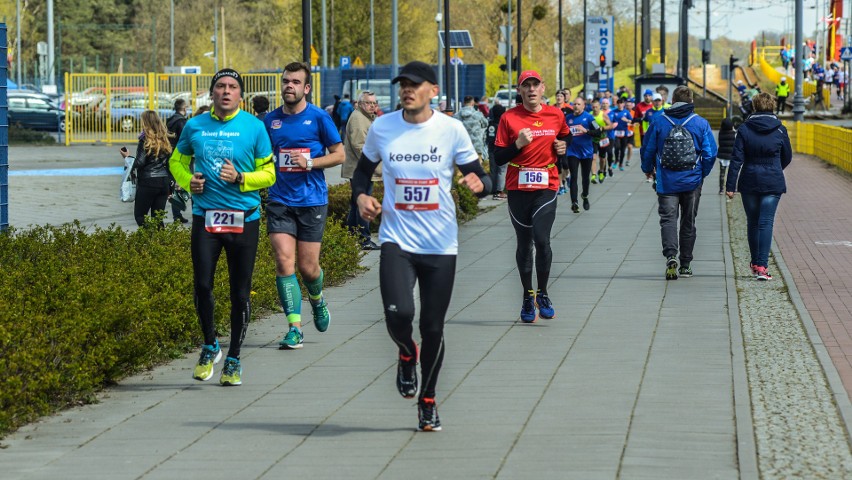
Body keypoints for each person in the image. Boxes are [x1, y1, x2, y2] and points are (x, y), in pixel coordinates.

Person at [351, 60, 491, 431]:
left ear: (432, 89)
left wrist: (481, 184)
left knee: (432, 326)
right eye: (402, 85)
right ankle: (405, 352)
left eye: (414, 85)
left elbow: (482, 174)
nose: (406, 91)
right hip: (397, 239)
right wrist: (362, 198)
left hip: (441, 244)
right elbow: (362, 175)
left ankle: (428, 400)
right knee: (398, 315)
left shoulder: (451, 129)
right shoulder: (383, 127)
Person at [169, 68, 276, 386]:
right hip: (206, 217)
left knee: (239, 292)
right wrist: (189, 181)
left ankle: (234, 358)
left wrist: (242, 178)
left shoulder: (254, 128)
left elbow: (269, 174)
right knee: (202, 285)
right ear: (212, 93)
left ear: (240, 95)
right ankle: (210, 345)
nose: (226, 91)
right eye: (220, 86)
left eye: (232, 87)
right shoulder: (194, 126)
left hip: (244, 219)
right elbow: (176, 161)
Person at [263, 62, 344, 350]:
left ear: (306, 88)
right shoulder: (269, 121)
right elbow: (260, 156)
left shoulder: (320, 118)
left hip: (312, 200)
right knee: (284, 261)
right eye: (286, 81)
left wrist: (310, 163)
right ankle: (294, 328)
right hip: (279, 200)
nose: (289, 86)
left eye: (296, 82)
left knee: (309, 269)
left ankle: (317, 300)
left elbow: (339, 155)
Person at [494, 70, 569, 322]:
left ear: (543, 88)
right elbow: (498, 157)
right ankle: (528, 296)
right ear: (520, 91)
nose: (532, 90)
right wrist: (517, 145)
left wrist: (562, 147)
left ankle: (543, 293)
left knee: (542, 240)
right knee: (524, 243)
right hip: (517, 187)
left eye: (535, 85)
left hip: (546, 185)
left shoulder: (556, 114)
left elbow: (564, 138)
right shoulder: (508, 118)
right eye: (526, 86)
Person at [640, 86, 717, 280]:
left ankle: (671, 256)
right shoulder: (700, 123)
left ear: (672, 101)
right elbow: (710, 153)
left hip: (666, 181)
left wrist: (647, 169)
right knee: (688, 221)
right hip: (692, 181)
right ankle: (685, 264)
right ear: (691, 101)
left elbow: (647, 149)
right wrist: (702, 174)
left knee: (668, 219)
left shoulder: (658, 121)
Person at [725, 93, 793, 281]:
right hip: (772, 181)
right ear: (772, 106)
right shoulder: (780, 129)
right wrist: (775, 169)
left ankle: (756, 264)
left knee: (753, 222)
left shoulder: (744, 129)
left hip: (749, 181)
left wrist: (730, 186)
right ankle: (762, 267)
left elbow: (736, 159)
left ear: (754, 107)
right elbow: (787, 156)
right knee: (766, 223)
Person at [341, 90, 380, 250]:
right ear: (360, 104)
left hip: (360, 169)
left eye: (374, 103)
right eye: (368, 103)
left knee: (356, 204)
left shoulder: (365, 117)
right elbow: (360, 146)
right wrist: (375, 166)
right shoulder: (358, 119)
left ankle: (351, 236)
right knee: (364, 204)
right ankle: (364, 239)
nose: (372, 106)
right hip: (361, 170)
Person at [121, 110, 172, 227]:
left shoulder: (145, 140)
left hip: (148, 181)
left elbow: (140, 162)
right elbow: (169, 163)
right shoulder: (165, 139)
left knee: (140, 216)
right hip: (164, 181)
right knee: (158, 218)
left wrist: (127, 157)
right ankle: (161, 243)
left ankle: (149, 239)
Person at [564, 96, 597, 213]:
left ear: (583, 106)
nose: (576, 106)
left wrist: (586, 131)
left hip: (586, 152)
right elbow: (563, 133)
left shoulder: (589, 117)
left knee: (585, 177)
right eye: (575, 104)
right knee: (574, 176)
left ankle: (585, 195)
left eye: (579, 104)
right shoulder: (568, 118)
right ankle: (574, 202)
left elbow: (598, 132)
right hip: (572, 152)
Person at [166, 98, 190, 223]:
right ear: (184, 108)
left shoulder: (170, 120)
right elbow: (185, 140)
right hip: (180, 157)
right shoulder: (182, 122)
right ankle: (177, 215)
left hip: (170, 155)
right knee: (179, 186)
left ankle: (177, 214)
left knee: (175, 185)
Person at [455, 95, 489, 163]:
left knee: (462, 169)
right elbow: (486, 124)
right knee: (477, 169)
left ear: (464, 103)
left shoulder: (457, 115)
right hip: (477, 146)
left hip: (462, 146)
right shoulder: (478, 115)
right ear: (473, 103)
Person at [486, 103, 508, 199]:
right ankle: (499, 191)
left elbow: (489, 138)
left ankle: (493, 189)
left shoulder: (491, 124)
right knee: (502, 171)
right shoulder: (504, 123)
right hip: (503, 149)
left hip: (492, 150)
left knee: (493, 170)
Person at [610, 97, 633, 171]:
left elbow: (631, 121)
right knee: (617, 147)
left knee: (623, 150)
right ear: (617, 104)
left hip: (624, 133)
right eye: (618, 103)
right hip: (616, 132)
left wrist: (626, 120)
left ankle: (621, 163)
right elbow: (609, 119)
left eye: (621, 103)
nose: (620, 105)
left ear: (623, 104)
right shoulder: (613, 111)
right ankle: (616, 160)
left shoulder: (626, 112)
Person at [717, 118, 736, 195]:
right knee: (732, 173)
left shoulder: (720, 133)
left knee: (722, 174)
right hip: (731, 156)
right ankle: (732, 188)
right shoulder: (734, 134)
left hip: (722, 156)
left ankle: (721, 189)